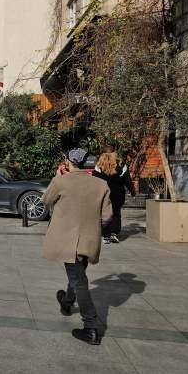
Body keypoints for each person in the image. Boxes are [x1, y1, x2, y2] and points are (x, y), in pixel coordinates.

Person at [42, 148, 113, 345]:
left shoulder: (61, 181)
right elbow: (107, 216)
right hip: (89, 240)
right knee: (77, 275)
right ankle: (66, 302)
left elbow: (46, 201)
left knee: (79, 280)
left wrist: (57, 177)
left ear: (68, 161)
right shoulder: (101, 184)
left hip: (68, 241)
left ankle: (91, 327)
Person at [93, 152, 136, 244]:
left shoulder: (98, 168)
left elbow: (93, 182)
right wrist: (133, 192)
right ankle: (114, 233)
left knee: (104, 214)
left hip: (103, 194)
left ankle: (106, 235)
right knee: (116, 213)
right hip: (118, 195)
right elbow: (127, 181)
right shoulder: (121, 168)